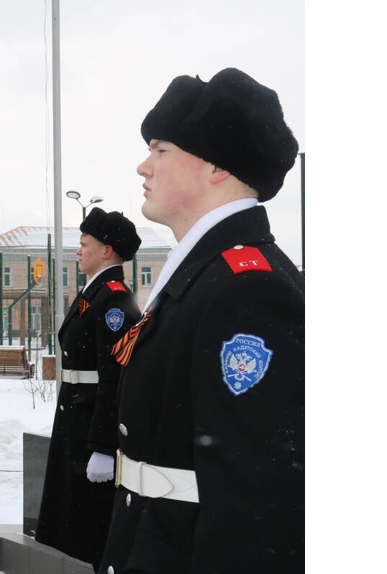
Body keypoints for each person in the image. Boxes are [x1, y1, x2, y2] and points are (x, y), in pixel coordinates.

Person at [98, 68, 304, 574]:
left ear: (215, 166)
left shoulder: (247, 288)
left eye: (161, 149)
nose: (143, 166)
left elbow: (258, 498)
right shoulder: (205, 274)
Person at [34, 208, 141, 569]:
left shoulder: (112, 300)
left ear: (107, 250)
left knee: (86, 526)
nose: (78, 251)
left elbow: (115, 378)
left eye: (84, 244)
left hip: (89, 426)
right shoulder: (94, 293)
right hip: (76, 419)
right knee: (69, 520)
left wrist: (104, 447)